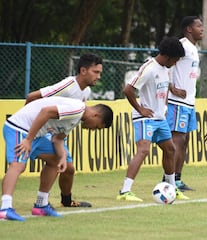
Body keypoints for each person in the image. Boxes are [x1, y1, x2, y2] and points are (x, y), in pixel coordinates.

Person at [0, 96, 113, 221]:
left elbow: (57, 139)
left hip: (35, 135)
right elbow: (45, 112)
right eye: (97, 127)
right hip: (19, 128)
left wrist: (63, 156)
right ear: (96, 115)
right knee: (18, 166)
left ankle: (41, 205)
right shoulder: (77, 109)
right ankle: (5, 209)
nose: (93, 130)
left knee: (55, 160)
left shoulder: (76, 119)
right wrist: (28, 140)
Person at [116, 37, 189, 202]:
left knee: (170, 149)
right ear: (169, 56)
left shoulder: (165, 69)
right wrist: (140, 109)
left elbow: (163, 90)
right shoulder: (148, 68)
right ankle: (125, 190)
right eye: (176, 60)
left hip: (159, 117)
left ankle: (172, 188)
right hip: (144, 118)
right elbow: (128, 89)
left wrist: (163, 107)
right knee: (143, 150)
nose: (176, 63)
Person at [25, 53, 103, 207]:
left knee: (68, 169)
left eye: (100, 72)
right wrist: (27, 124)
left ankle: (65, 201)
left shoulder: (85, 91)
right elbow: (32, 97)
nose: (99, 76)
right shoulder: (68, 85)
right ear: (83, 71)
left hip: (58, 134)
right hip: (43, 130)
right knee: (20, 165)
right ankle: (39, 203)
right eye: (96, 72)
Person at [164, 16, 203, 191]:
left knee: (184, 140)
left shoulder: (194, 48)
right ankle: (169, 178)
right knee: (177, 140)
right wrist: (172, 87)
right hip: (177, 102)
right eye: (198, 26)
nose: (202, 29)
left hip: (188, 102)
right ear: (188, 29)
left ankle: (177, 178)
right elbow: (167, 65)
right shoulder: (183, 46)